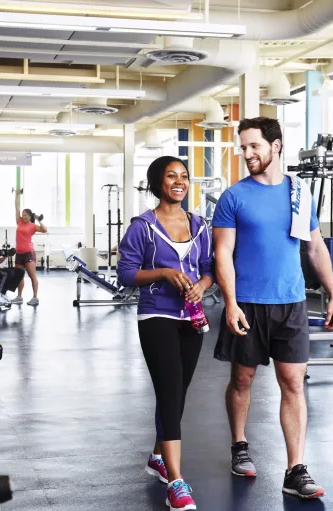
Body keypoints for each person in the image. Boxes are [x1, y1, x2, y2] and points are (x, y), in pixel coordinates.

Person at [212, 117, 333, 499]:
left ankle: (295, 469)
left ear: (276, 146)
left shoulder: (298, 192)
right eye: (243, 147)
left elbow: (315, 247)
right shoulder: (234, 196)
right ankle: (239, 445)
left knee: (293, 384)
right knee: (242, 381)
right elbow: (223, 253)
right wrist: (231, 303)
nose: (247, 153)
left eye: (254, 146)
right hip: (248, 304)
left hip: (291, 303)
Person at [117, 156, 213, 511]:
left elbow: (208, 269)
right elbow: (126, 274)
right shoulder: (142, 226)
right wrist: (162, 273)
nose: (179, 181)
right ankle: (176, 481)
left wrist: (202, 285)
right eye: (171, 176)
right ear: (157, 182)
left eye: (184, 176)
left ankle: (158, 456)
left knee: (179, 392)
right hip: (156, 315)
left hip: (192, 318)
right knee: (170, 390)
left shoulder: (200, 225)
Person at [13, 188, 47, 306]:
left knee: (32, 276)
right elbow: (16, 207)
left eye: (26, 215)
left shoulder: (33, 226)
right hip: (19, 253)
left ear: (30, 216)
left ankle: (35, 297)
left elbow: (44, 230)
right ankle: (19, 296)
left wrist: (38, 220)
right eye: (22, 215)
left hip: (28, 253)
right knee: (19, 276)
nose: (23, 217)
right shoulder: (19, 222)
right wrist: (17, 195)